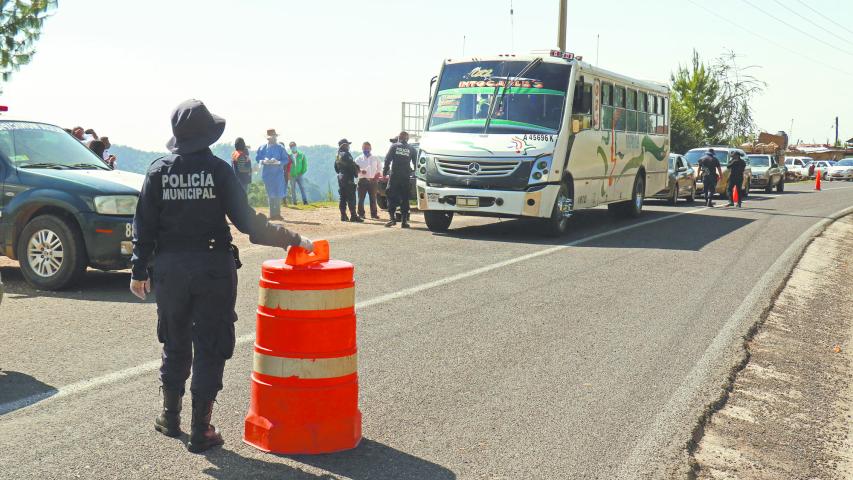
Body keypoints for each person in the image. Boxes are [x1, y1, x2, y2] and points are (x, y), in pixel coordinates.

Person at [130, 99, 312, 454]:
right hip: (213, 268)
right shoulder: (218, 170)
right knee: (211, 346)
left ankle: (170, 417)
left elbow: (144, 225)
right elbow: (249, 224)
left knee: (175, 341)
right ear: (208, 135)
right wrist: (293, 240)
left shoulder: (157, 171)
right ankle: (201, 429)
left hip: (169, 270)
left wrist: (139, 269)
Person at [383, 131, 417, 228]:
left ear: (399, 138)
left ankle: (392, 219)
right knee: (405, 198)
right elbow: (416, 164)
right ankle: (404, 221)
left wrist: (385, 172)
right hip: (405, 177)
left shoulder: (394, 146)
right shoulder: (412, 149)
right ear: (407, 139)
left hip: (394, 176)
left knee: (390, 196)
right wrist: (414, 173)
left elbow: (387, 159)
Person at [255, 129, 288, 220]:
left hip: (278, 174)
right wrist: (263, 161)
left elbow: (286, 160)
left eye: (275, 136)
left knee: (277, 193)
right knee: (270, 194)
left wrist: (278, 162)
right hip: (267, 175)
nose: (274, 138)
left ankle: (277, 214)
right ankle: (272, 214)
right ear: (268, 138)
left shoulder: (280, 147)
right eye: (272, 137)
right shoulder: (262, 148)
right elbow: (258, 158)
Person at [334, 139, 362, 222]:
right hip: (348, 178)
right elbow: (351, 166)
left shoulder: (337, 155)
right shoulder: (347, 154)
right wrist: (356, 173)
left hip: (340, 177)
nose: (349, 146)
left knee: (342, 197)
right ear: (344, 145)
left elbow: (336, 168)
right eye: (348, 145)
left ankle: (343, 215)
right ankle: (353, 216)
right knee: (351, 197)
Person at [355, 141, 382, 219]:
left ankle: (374, 214)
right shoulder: (358, 159)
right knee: (361, 199)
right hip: (362, 180)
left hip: (373, 180)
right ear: (362, 149)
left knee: (373, 198)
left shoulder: (375, 158)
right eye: (364, 148)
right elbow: (355, 169)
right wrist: (360, 171)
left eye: (367, 148)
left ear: (371, 148)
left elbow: (380, 168)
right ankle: (361, 214)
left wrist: (378, 174)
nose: (366, 149)